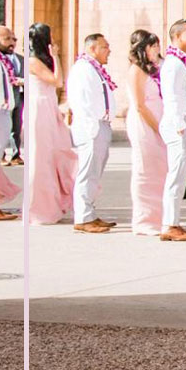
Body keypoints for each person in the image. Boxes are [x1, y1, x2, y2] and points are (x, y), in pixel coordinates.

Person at [23, 23, 76, 225]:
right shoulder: (33, 61)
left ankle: (53, 202)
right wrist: (56, 57)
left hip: (48, 105)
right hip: (38, 108)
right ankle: (39, 208)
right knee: (40, 156)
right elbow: (57, 81)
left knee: (55, 153)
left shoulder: (41, 60)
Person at [67, 32, 118, 233]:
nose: (109, 51)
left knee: (94, 173)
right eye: (105, 47)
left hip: (100, 125)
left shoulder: (94, 69)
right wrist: (92, 128)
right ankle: (83, 217)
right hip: (91, 127)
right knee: (87, 173)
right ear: (92, 48)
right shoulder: (82, 69)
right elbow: (81, 102)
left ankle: (89, 213)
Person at [158, 19, 186, 241]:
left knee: (180, 175)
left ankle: (173, 221)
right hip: (178, 125)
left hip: (184, 123)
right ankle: (169, 224)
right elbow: (172, 97)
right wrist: (180, 126)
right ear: (176, 37)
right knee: (175, 176)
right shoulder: (173, 64)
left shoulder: (182, 63)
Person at [125, 30, 167, 237]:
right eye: (153, 46)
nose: (157, 50)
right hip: (145, 123)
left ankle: (159, 215)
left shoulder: (153, 69)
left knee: (159, 169)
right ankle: (144, 219)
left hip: (158, 119)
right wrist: (158, 127)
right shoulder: (136, 71)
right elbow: (140, 105)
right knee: (145, 169)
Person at [0, 25, 25, 166]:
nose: (12, 42)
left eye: (13, 39)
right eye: (6, 38)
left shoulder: (4, 60)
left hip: (7, 107)